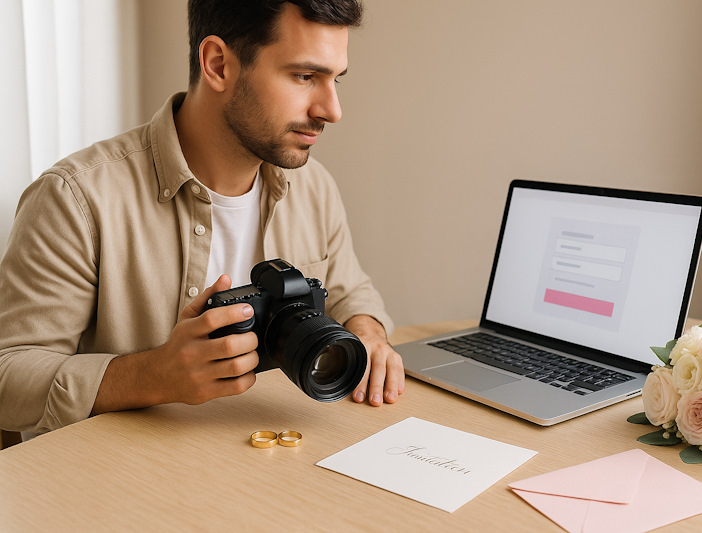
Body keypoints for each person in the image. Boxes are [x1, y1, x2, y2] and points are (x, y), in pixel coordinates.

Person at [0, 0, 404, 436]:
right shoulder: (75, 199)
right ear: (217, 64)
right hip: (114, 486)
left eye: (334, 79)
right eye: (305, 76)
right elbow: (8, 376)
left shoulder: (313, 186)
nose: (332, 109)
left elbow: (351, 293)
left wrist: (368, 334)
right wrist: (152, 375)